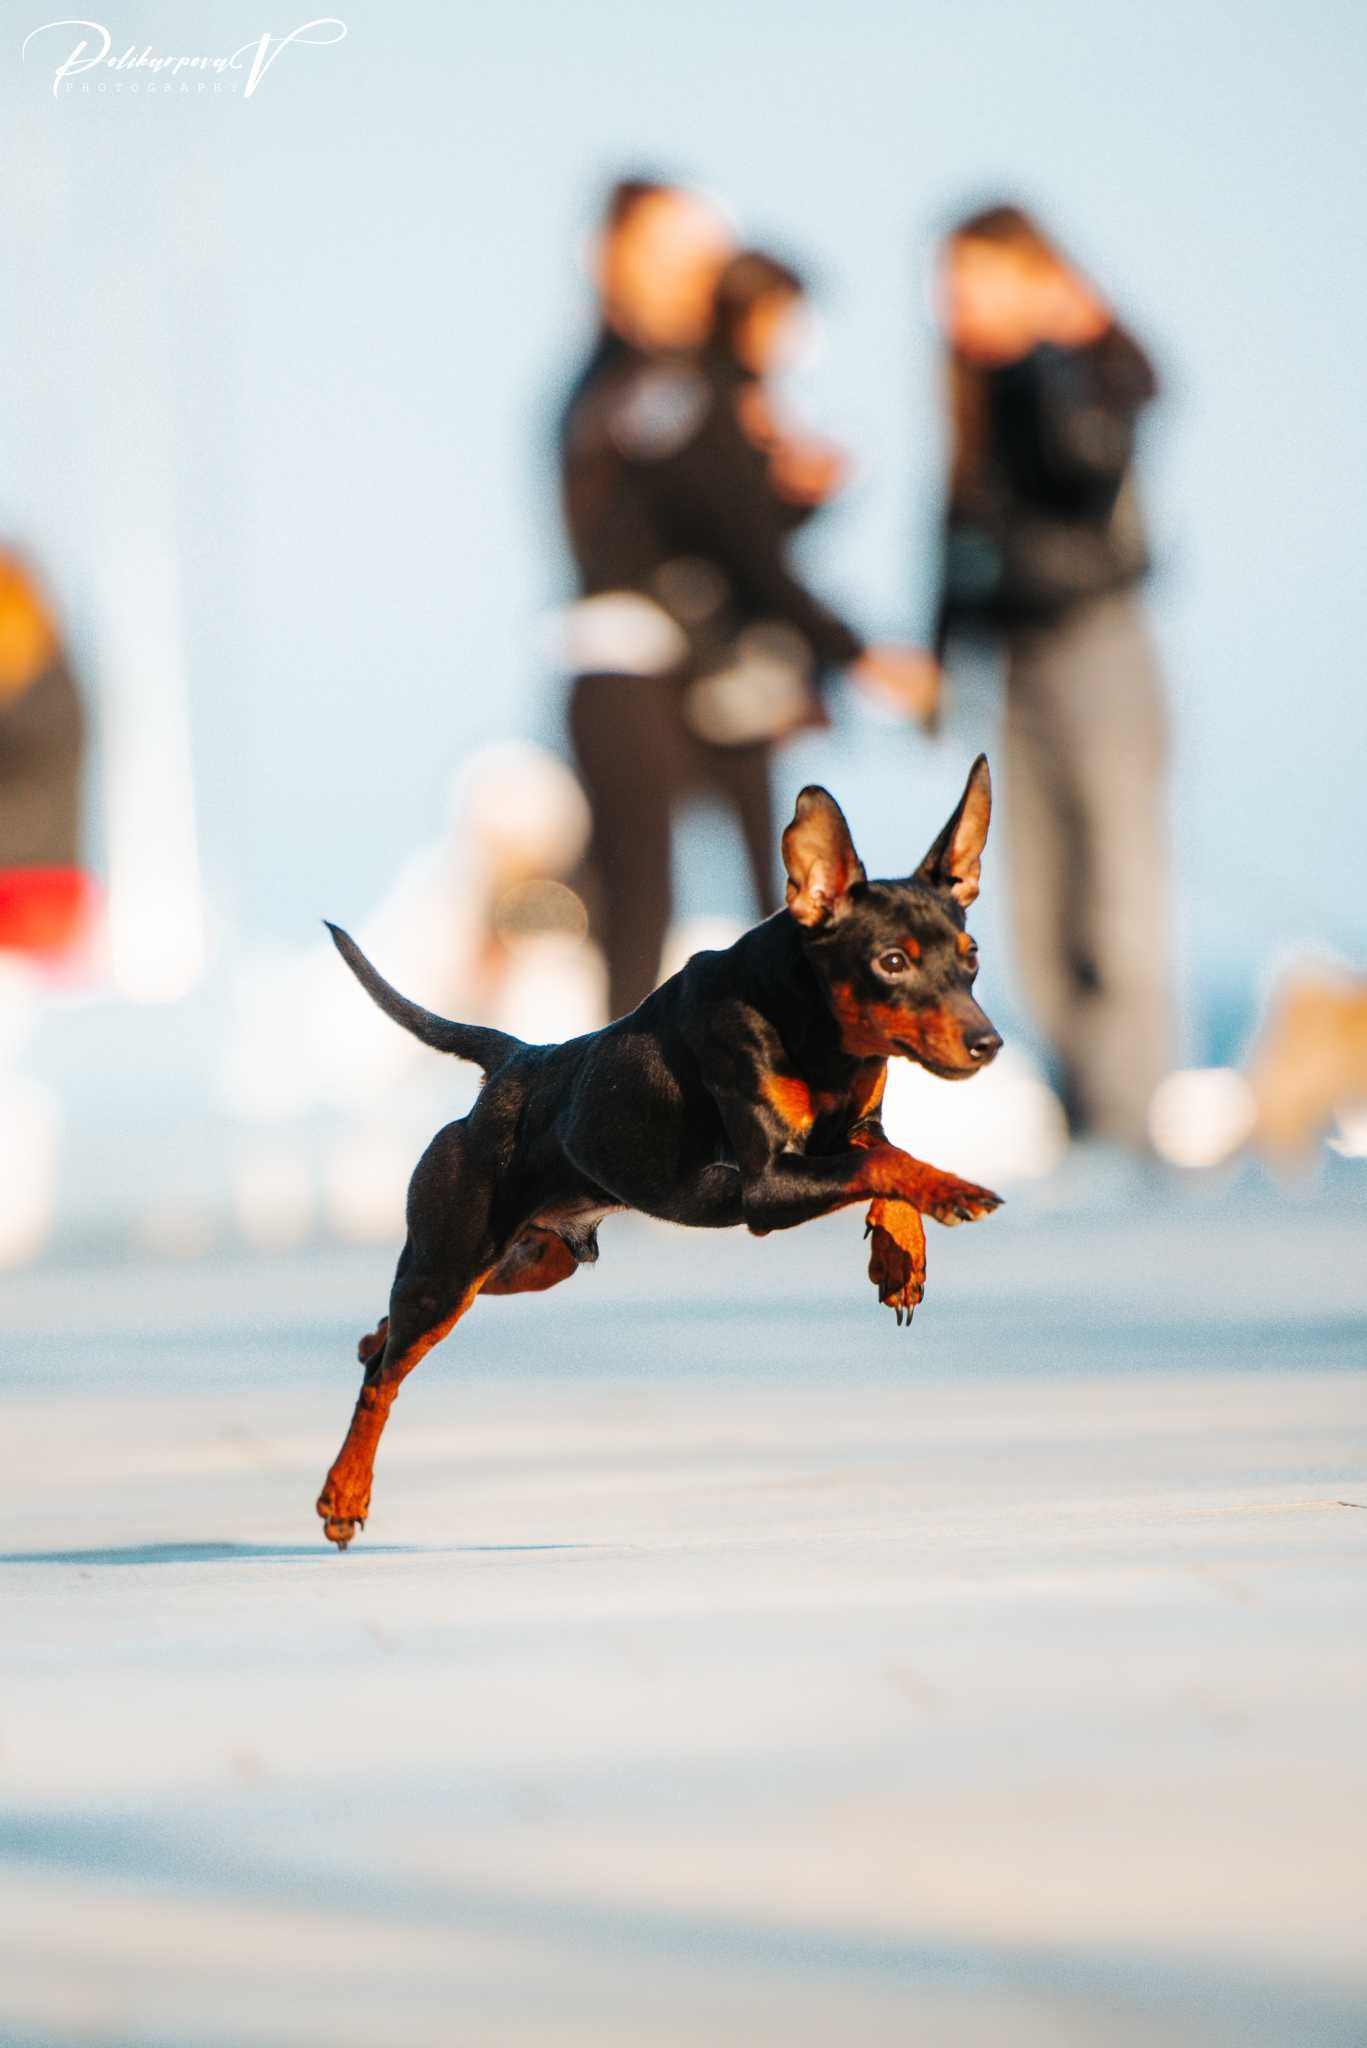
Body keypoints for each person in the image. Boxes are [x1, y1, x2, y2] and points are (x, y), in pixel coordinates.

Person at [560, 178, 933, 1019]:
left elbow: (727, 540)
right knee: (648, 904)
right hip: (636, 675)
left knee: (758, 894)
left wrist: (788, 485)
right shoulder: (659, 396)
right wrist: (858, 653)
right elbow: (747, 555)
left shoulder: (671, 397)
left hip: (692, 678)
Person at [930, 202, 1172, 1152]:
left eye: (970, 282)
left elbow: (1093, 458)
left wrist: (1053, 352)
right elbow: (952, 533)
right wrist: (942, 656)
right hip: (1015, 658)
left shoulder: (1078, 373)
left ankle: (1127, 1119)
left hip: (1098, 641)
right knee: (1032, 902)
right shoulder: (977, 392)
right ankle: (1083, 1117)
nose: (952, 306)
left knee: (1114, 892)